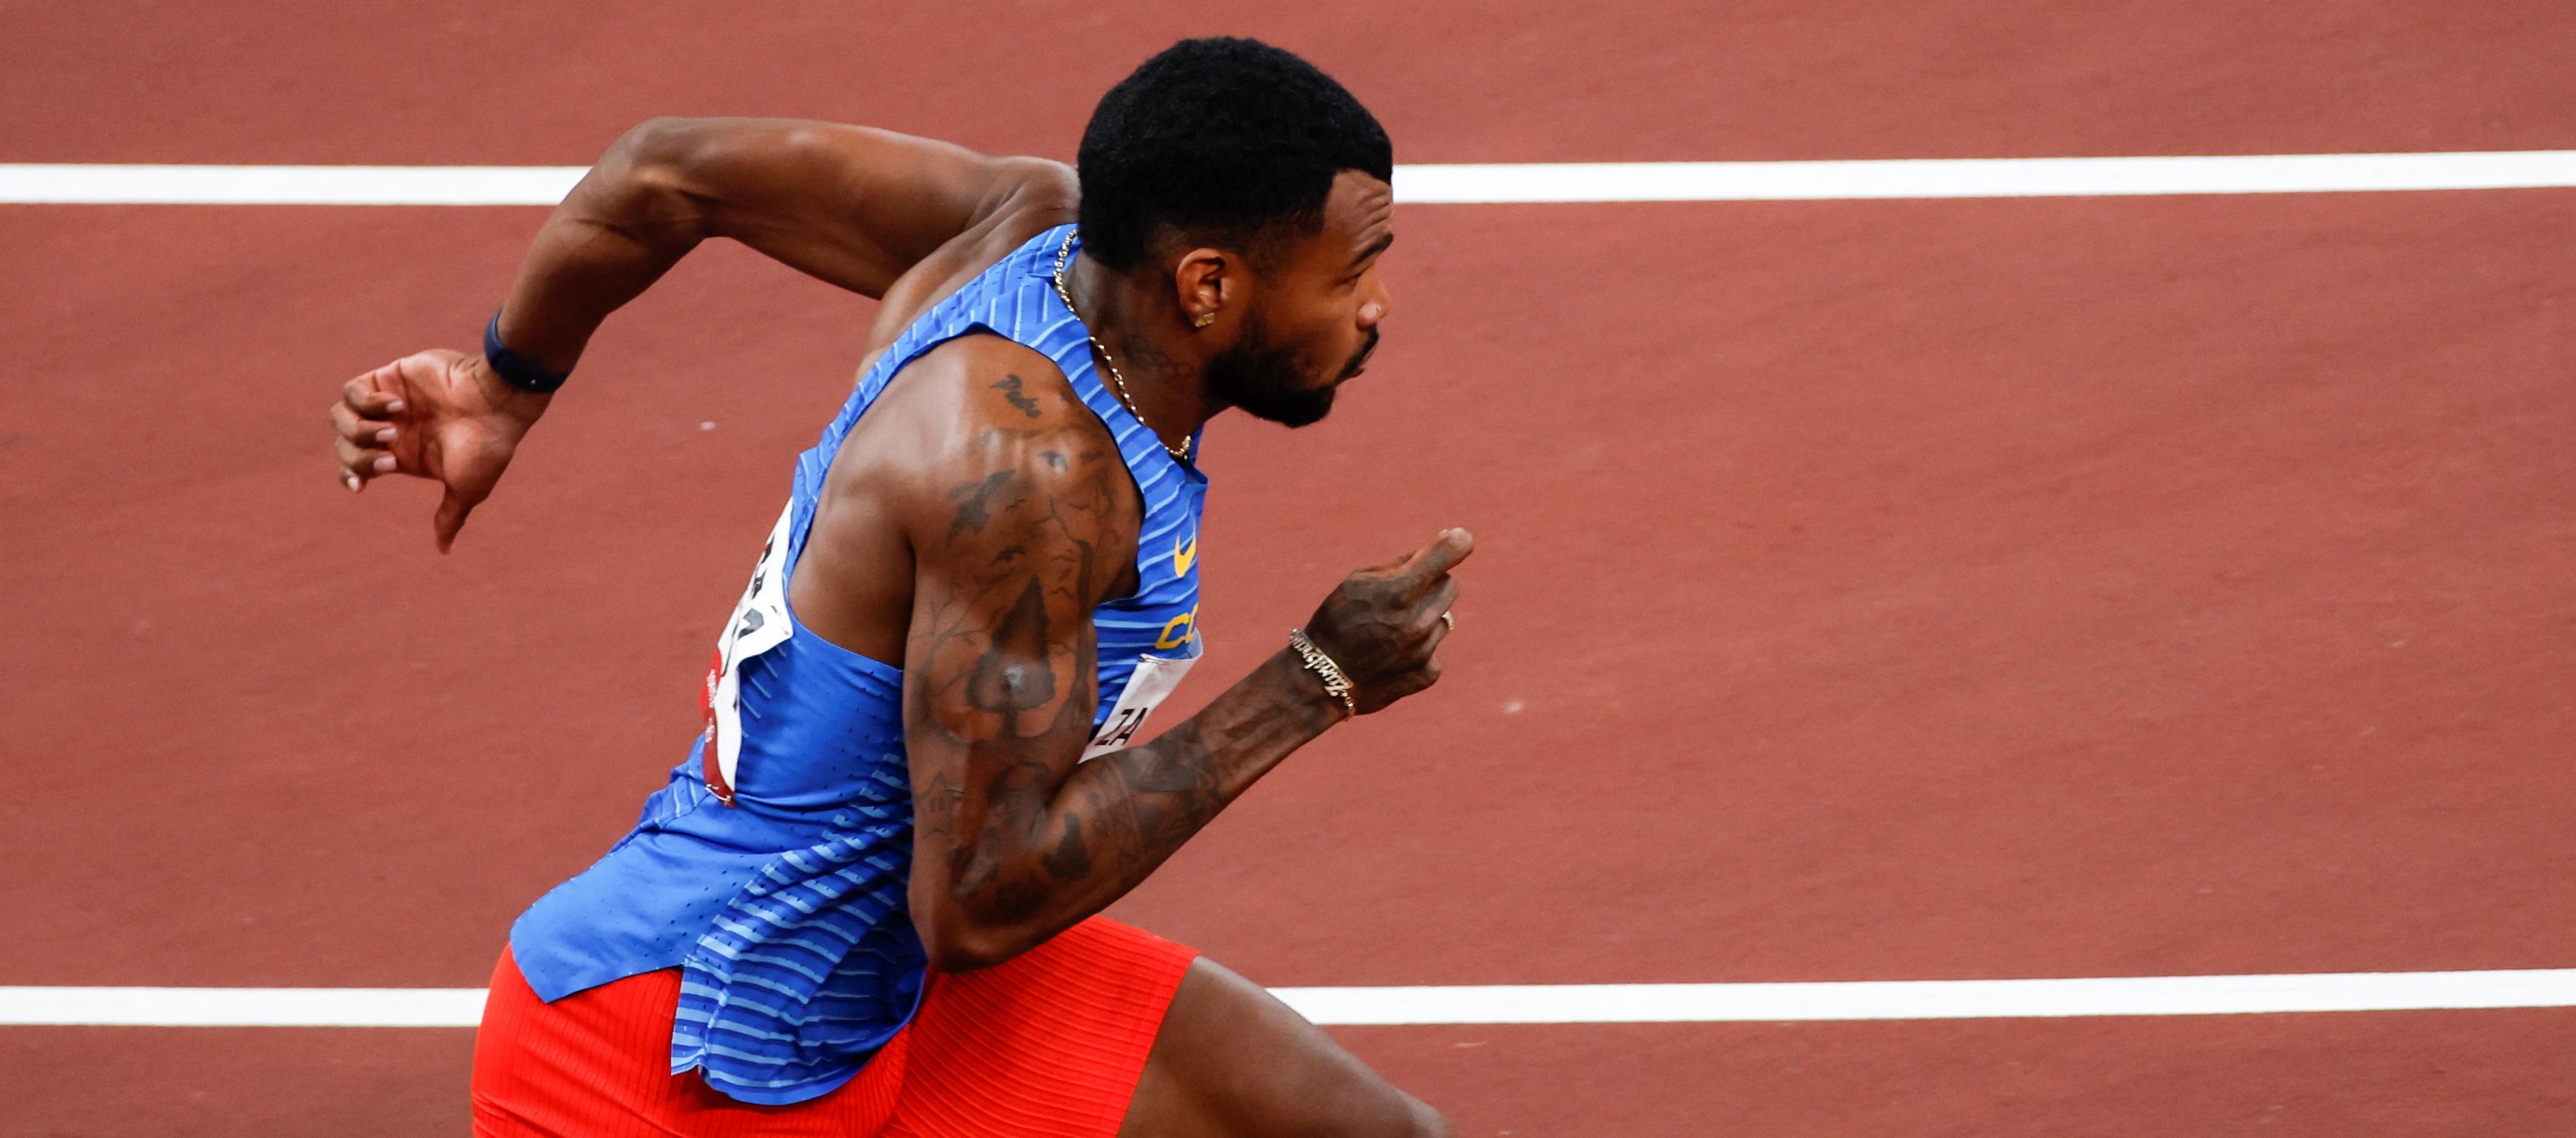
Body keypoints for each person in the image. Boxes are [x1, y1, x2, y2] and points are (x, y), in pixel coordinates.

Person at [329, 37, 1470, 1138]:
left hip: (880, 992)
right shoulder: (1034, 483)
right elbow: (976, 899)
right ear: (1208, 286)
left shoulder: (1030, 230)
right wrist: (1313, 683)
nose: (1374, 308)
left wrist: (503, 383)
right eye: (1351, 274)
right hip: (675, 1054)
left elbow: (662, 172)